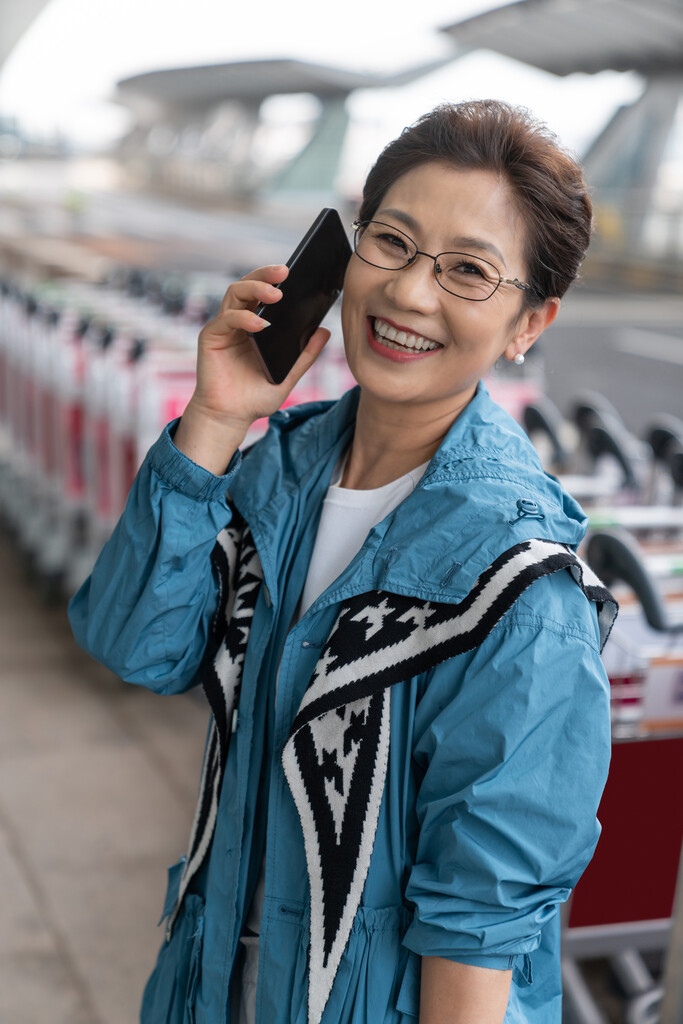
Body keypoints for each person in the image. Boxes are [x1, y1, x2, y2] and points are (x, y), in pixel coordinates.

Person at [69, 99, 616, 1024]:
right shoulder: (275, 475)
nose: (407, 293)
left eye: (468, 271)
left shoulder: (521, 587)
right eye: (391, 242)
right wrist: (214, 421)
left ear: (530, 322)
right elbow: (137, 645)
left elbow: (475, 939)